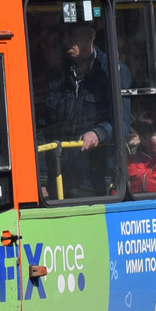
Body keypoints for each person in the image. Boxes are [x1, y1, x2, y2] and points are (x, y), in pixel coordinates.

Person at [39, 19, 127, 196]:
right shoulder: (57, 75)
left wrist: (98, 133)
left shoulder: (112, 71)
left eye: (71, 35)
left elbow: (122, 124)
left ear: (89, 36)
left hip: (95, 178)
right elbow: (42, 129)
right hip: (58, 176)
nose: (65, 41)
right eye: (63, 35)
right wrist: (41, 179)